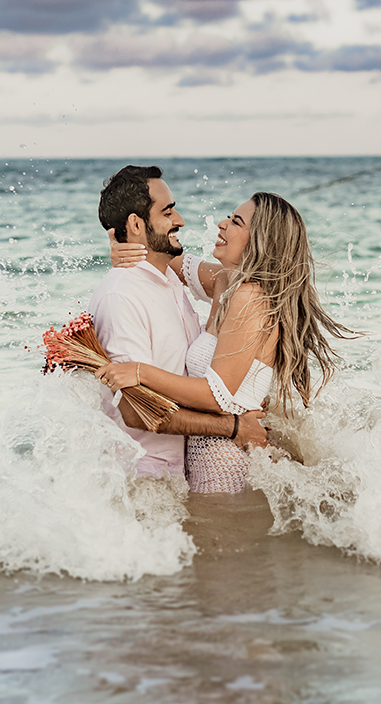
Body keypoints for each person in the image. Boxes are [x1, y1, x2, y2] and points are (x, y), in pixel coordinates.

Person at [96, 191, 356, 493]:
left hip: (221, 458)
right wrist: (125, 246)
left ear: (259, 240)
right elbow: (167, 256)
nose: (221, 224)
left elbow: (217, 395)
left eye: (235, 221)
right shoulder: (224, 281)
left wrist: (140, 372)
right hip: (208, 451)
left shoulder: (251, 298)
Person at [88, 165, 268, 481]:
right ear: (136, 223)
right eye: (169, 211)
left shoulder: (172, 278)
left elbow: (192, 267)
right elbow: (134, 408)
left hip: (185, 472)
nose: (180, 220)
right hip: (146, 477)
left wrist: (131, 244)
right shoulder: (121, 296)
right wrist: (233, 426)